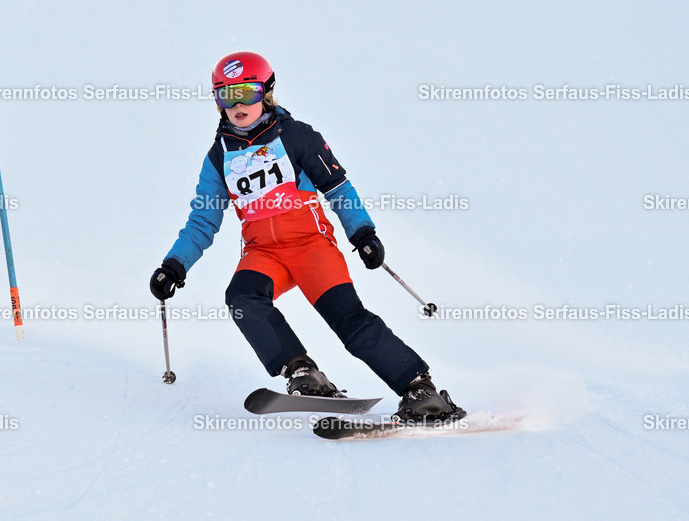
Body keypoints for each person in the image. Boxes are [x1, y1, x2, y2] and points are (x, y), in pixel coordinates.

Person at [149, 51, 463, 423]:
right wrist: (174, 265)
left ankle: (420, 390)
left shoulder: (296, 136)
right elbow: (203, 220)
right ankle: (302, 371)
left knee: (348, 319)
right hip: (263, 253)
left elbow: (338, 188)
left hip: (311, 247)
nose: (236, 105)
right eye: (225, 95)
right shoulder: (219, 157)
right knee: (242, 298)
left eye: (246, 92)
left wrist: (362, 232)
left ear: (266, 92)